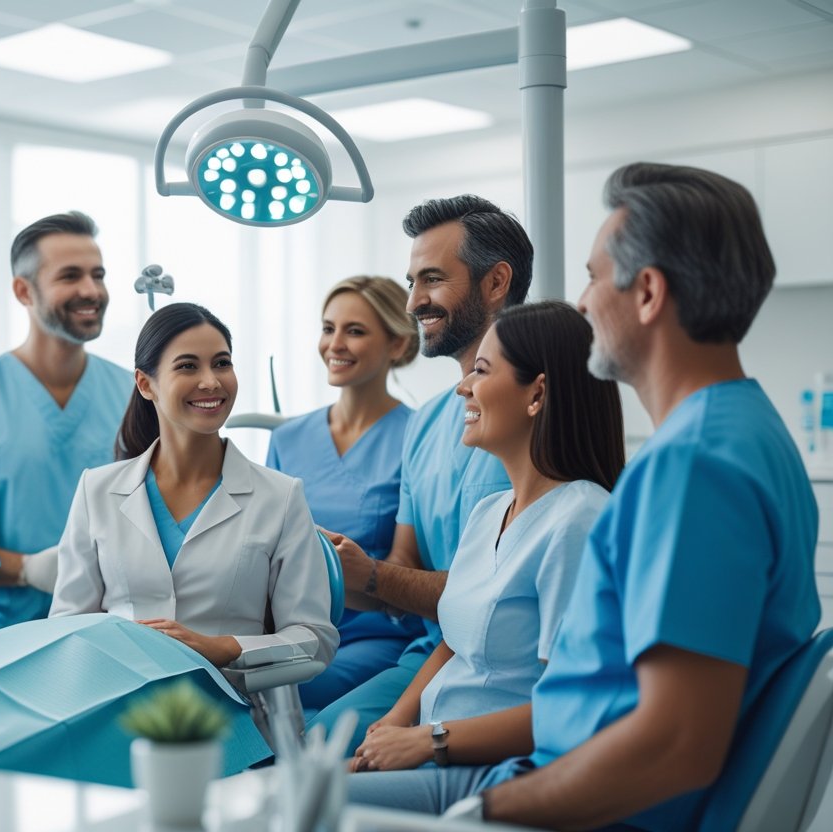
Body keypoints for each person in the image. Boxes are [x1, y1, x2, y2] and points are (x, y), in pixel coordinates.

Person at [393, 163, 820, 830]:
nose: (584, 302)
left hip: (573, 805)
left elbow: (675, 747)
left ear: (647, 292)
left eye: (594, 277)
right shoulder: (748, 430)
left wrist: (486, 811)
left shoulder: (694, 467)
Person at [347, 301, 624, 806]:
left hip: (495, 774)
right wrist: (388, 728)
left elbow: (572, 707)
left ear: (536, 393)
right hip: (436, 750)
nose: (462, 387)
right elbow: (454, 643)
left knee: (290, 808)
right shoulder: (491, 511)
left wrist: (427, 741)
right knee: (283, 788)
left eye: (481, 371)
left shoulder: (579, 519)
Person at [307, 195, 533, 753]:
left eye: (431, 280)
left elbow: (499, 601)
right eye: (411, 281)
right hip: (427, 653)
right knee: (304, 743)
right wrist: (343, 573)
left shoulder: (540, 411)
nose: (413, 301)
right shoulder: (430, 421)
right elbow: (404, 566)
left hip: (494, 667)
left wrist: (378, 578)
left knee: (321, 757)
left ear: (495, 282)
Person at [50, 302, 338, 670]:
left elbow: (316, 640)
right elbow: (66, 628)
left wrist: (226, 649)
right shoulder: (97, 490)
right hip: (120, 702)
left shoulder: (280, 497)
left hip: (232, 704)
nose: (211, 381)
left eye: (222, 363)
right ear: (145, 384)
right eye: (188, 366)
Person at [0, 211, 133, 630]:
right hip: (1, 634)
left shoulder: (135, 395)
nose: (91, 290)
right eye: (70, 276)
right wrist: (27, 569)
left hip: (117, 630)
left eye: (99, 274)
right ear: (23, 291)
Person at [266, 276, 424, 712]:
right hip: (292, 629)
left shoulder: (418, 437)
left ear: (396, 344)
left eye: (354, 331)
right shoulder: (288, 438)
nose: (335, 344)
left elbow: (411, 562)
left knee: (278, 689)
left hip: (376, 635)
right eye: (328, 328)